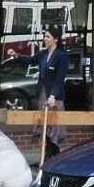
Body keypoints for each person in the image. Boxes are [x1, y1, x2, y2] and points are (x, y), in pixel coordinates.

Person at [38, 23, 69, 155]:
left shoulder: (61, 56)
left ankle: (53, 157)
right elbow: (30, 60)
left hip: (54, 97)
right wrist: (16, 55)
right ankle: (47, 156)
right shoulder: (43, 54)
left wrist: (53, 96)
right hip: (43, 94)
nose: (45, 39)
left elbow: (59, 78)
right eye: (45, 36)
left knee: (54, 130)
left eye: (48, 37)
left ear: (55, 39)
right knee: (44, 128)